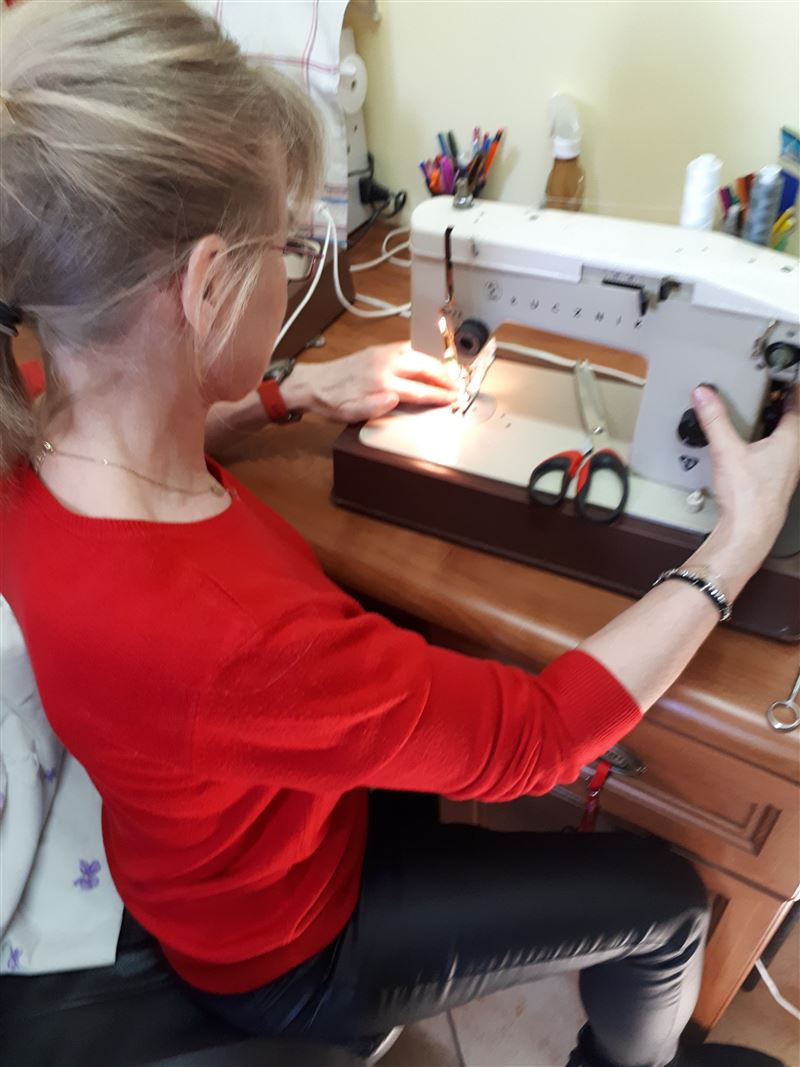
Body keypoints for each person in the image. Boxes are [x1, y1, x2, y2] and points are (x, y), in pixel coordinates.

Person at [1, 4, 797, 1066]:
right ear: (204, 284)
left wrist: (292, 392)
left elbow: (138, 441)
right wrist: (735, 543)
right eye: (290, 247)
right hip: (281, 944)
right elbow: (541, 737)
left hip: (195, 847)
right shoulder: (233, 636)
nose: (297, 271)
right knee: (667, 901)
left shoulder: (30, 416)